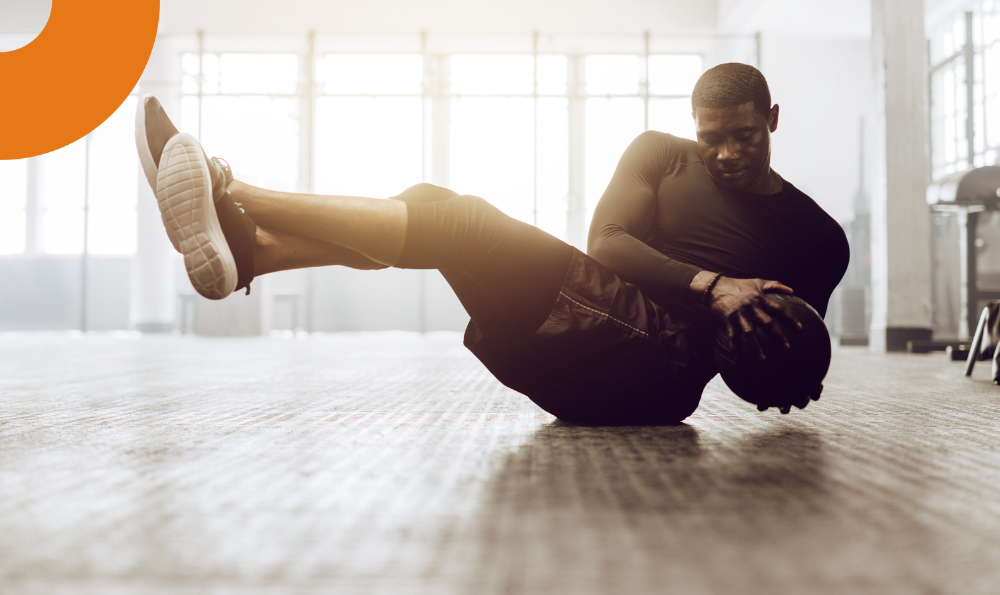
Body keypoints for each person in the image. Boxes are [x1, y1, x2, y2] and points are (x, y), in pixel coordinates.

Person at [135, 62, 847, 424]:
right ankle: (249, 250)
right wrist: (714, 285)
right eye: (711, 137)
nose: (724, 153)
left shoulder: (817, 240)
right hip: (600, 327)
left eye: (744, 136)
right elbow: (607, 244)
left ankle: (231, 191)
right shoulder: (660, 155)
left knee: (457, 222)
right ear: (693, 127)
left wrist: (786, 375)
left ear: (773, 120)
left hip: (658, 374)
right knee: (432, 208)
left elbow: (783, 360)